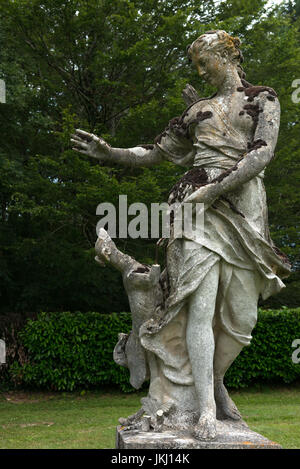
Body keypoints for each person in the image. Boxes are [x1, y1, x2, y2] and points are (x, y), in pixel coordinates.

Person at [71, 30, 291, 440]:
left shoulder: (263, 98)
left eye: (202, 60)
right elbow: (154, 151)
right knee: (199, 307)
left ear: (226, 55)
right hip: (192, 207)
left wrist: (217, 189)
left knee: (243, 319)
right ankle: (204, 407)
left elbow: (262, 153)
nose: (199, 70)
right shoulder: (197, 112)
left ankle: (214, 381)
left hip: (239, 205)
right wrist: (110, 153)